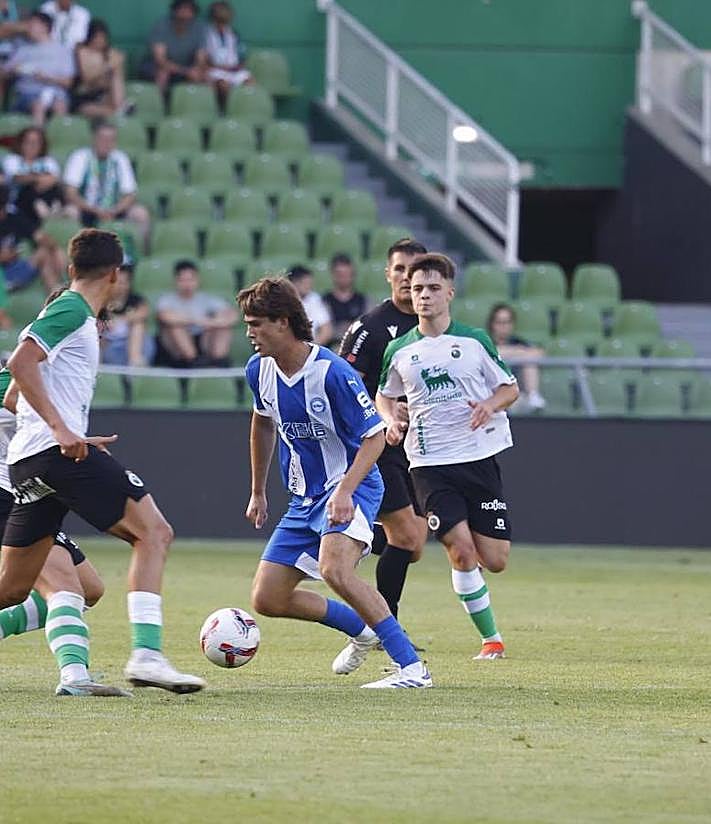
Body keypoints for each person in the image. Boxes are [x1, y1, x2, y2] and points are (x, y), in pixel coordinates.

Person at [0, 228, 205, 694]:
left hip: (29, 463)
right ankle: (148, 655)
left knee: (12, 589)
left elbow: (13, 394)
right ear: (117, 276)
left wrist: (65, 424)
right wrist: (61, 429)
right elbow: (19, 364)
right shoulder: (72, 310)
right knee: (154, 532)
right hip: (52, 453)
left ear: (72, 268)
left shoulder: (72, 316)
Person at [239, 276, 431, 689]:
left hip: (353, 487)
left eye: (256, 323)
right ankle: (362, 629)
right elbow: (262, 423)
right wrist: (257, 490)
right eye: (247, 324)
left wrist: (344, 491)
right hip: (304, 498)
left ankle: (412, 669)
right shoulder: (259, 370)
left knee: (335, 570)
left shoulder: (332, 372)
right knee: (267, 599)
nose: (249, 333)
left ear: (284, 322)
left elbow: (375, 435)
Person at [376, 253, 519, 661]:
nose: (424, 296)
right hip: (429, 463)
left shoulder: (474, 341)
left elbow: (510, 388)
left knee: (495, 560)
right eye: (418, 288)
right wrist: (390, 419)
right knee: (460, 549)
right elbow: (384, 395)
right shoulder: (399, 350)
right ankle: (491, 641)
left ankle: (485, 619)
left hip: (479, 458)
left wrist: (490, 404)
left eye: (433, 288)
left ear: (449, 294)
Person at [0, 288, 127, 697]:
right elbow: (13, 401)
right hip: (8, 493)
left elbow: (28, 423)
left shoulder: (49, 382)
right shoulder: (16, 373)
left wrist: (73, 436)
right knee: (63, 587)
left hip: (24, 489)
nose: (96, 337)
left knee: (89, 587)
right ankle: (75, 679)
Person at [338, 238, 428, 627]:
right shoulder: (369, 328)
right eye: (400, 270)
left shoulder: (434, 326)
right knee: (406, 537)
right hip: (382, 446)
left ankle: (356, 535)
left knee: (414, 545)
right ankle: (385, 625)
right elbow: (344, 384)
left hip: (424, 448)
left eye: (415, 270)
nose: (408, 278)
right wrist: (380, 415)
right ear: (388, 274)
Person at [63, 120, 151, 250]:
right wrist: (94, 210)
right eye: (103, 139)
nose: (106, 143)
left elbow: (130, 194)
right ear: (94, 139)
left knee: (141, 214)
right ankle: (74, 253)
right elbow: (70, 193)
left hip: (113, 210)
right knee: (70, 212)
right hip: (86, 209)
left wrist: (114, 210)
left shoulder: (120, 158)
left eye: (111, 139)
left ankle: (139, 253)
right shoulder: (80, 157)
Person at [155, 259, 237, 368]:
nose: (187, 284)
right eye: (183, 280)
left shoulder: (207, 299)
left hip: (203, 341)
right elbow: (165, 317)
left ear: (198, 280)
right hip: (176, 348)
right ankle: (193, 361)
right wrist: (199, 321)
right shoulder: (167, 300)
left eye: (191, 279)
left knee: (223, 328)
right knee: (176, 327)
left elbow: (232, 316)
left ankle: (219, 362)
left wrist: (214, 322)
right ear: (176, 281)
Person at [1, 11, 74, 125]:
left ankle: (59, 140)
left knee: (60, 106)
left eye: (32, 24)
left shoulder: (63, 51)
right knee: (39, 105)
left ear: (44, 27)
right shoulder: (23, 49)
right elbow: (3, 73)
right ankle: (37, 140)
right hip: (27, 94)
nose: (28, 28)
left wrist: (47, 78)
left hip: (55, 93)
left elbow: (68, 82)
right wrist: (12, 69)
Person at [0, 182, 65, 293]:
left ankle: (55, 294)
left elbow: (40, 236)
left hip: (14, 268)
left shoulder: (13, 217)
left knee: (44, 252)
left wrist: (56, 248)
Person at [487, 302, 546, 411]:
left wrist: (515, 352)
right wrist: (518, 351)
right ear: (492, 324)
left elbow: (538, 353)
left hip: (517, 395)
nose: (503, 326)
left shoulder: (518, 342)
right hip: (491, 395)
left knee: (529, 358)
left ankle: (533, 396)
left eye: (507, 322)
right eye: (499, 322)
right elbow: (491, 352)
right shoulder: (485, 342)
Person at [142, 0, 208, 94]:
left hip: (187, 66)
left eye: (189, 10)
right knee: (163, 74)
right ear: (174, 11)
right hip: (156, 66)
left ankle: (191, 105)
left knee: (202, 75)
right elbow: (160, 60)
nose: (185, 15)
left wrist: (196, 69)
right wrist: (185, 71)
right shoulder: (162, 26)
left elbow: (201, 58)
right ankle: (159, 106)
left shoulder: (200, 28)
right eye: (182, 10)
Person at [3, 126, 63, 227]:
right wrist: (39, 179)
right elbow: (17, 178)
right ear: (21, 143)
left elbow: (54, 180)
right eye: (29, 142)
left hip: (45, 196)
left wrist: (36, 180)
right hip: (19, 203)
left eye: (36, 142)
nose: (33, 146)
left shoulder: (48, 161)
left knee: (55, 188)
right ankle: (45, 210)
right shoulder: (12, 159)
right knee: (28, 188)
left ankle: (52, 209)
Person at [72, 19, 128, 119]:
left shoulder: (110, 52)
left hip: (105, 96)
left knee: (116, 75)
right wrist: (107, 67)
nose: (100, 40)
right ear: (90, 37)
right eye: (96, 37)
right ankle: (120, 111)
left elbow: (117, 75)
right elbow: (87, 79)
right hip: (86, 98)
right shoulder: (82, 51)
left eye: (103, 37)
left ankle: (120, 107)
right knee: (112, 113)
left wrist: (116, 64)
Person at [102, 261, 153, 367]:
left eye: (124, 282)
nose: (121, 286)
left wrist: (122, 319)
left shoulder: (136, 300)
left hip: (131, 339)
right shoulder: (103, 300)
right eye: (118, 282)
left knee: (138, 325)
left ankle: (135, 362)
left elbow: (143, 313)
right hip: (110, 342)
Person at [204, 1, 251, 111]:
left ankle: (247, 110)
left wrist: (239, 66)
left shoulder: (234, 34)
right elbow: (205, 59)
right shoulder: (205, 34)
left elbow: (242, 56)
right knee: (223, 85)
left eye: (224, 21)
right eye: (219, 20)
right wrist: (219, 67)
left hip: (234, 70)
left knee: (250, 82)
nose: (221, 24)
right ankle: (230, 111)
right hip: (215, 71)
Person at [323, 253, 368, 349]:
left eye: (347, 274)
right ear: (333, 275)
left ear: (353, 274)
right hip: (330, 348)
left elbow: (368, 329)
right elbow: (322, 330)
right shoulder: (324, 302)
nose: (343, 278)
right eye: (339, 274)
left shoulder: (364, 301)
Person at [287, 264, 332, 347]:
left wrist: (312, 348)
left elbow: (326, 330)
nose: (309, 286)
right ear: (294, 283)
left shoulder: (315, 299)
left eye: (310, 283)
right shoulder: (281, 301)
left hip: (310, 346)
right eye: (305, 283)